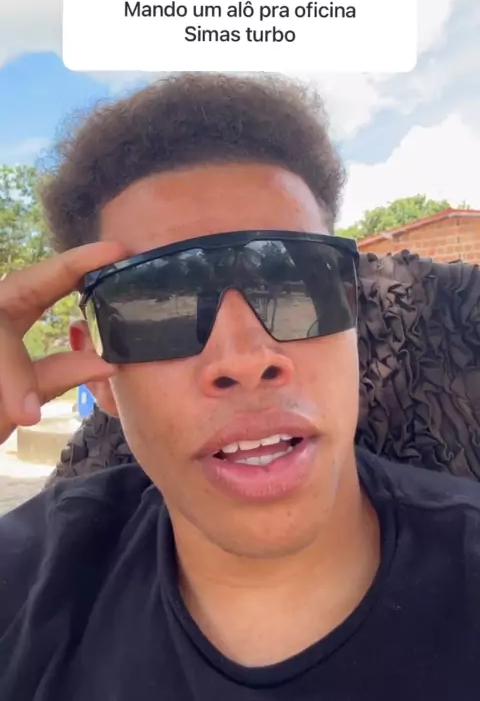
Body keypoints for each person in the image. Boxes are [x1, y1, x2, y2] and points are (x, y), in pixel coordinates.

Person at [0, 73, 479, 701]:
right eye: (158, 305)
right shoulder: (25, 588)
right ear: (101, 373)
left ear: (353, 317)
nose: (246, 360)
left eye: (296, 285)